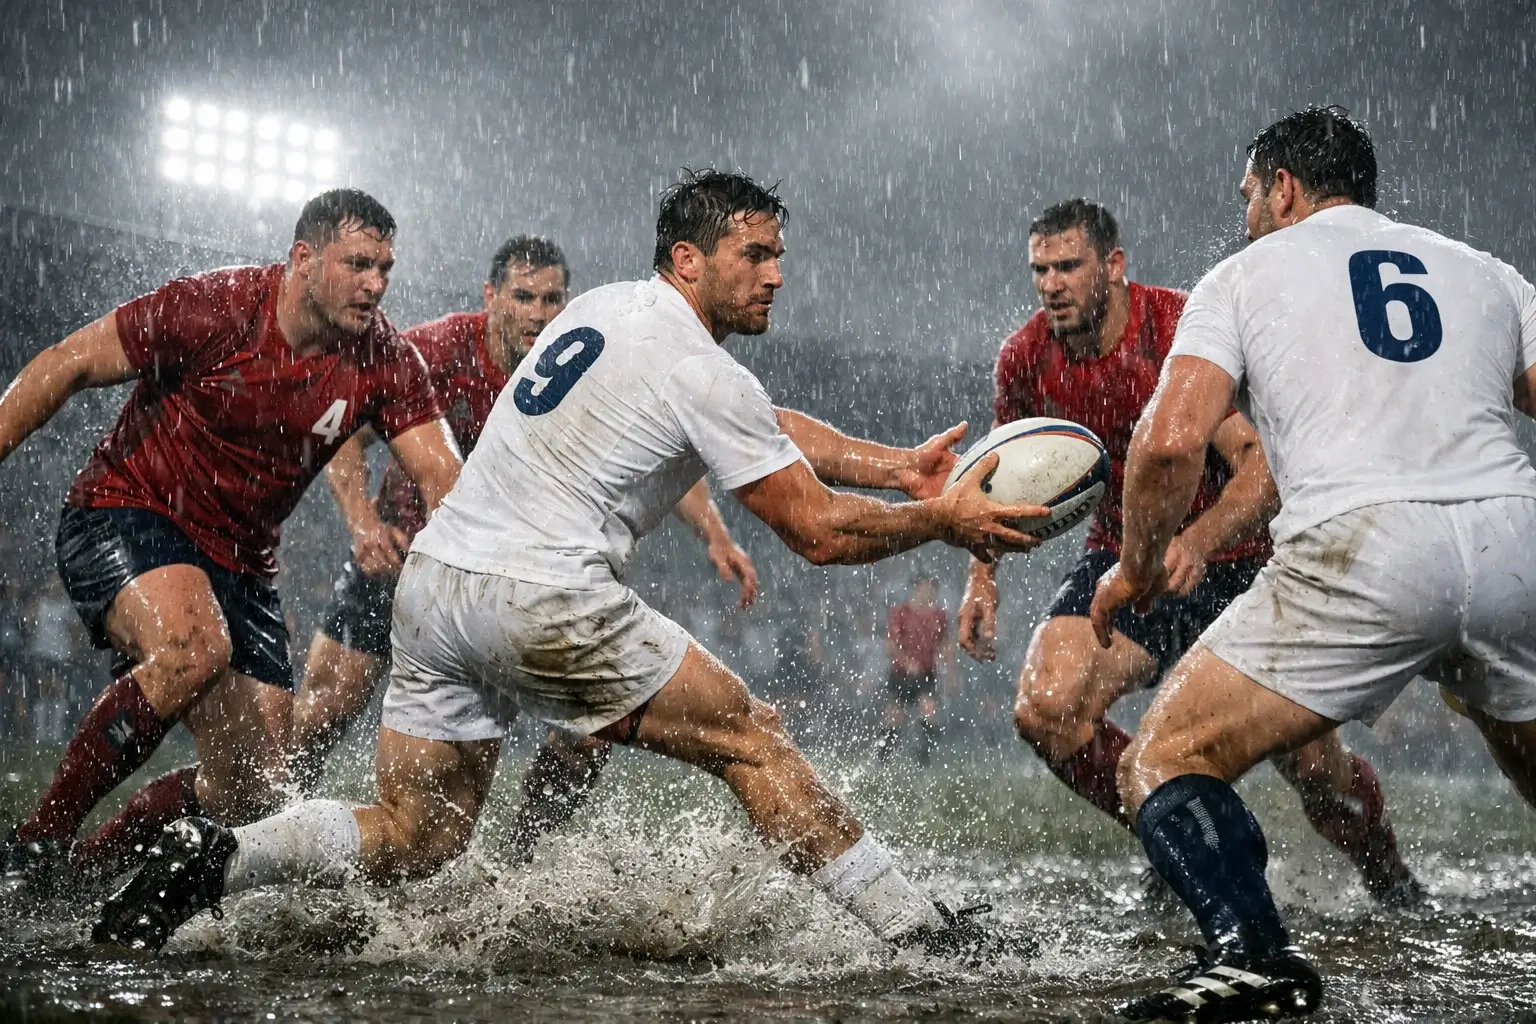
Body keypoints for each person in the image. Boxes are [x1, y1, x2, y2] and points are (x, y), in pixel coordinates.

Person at [94, 168, 1046, 956]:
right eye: (753, 255)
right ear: (688, 258)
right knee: (749, 738)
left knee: (419, 834)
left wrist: (897, 467)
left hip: (434, 588)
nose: (774, 276)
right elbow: (818, 533)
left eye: (778, 257)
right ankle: (924, 934)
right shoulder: (698, 365)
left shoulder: (609, 309)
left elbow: (759, 423)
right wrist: (946, 521)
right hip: (541, 595)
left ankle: (214, 858)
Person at [1089, 105, 1536, 1021]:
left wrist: (1133, 568)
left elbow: (1169, 446)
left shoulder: (1245, 275)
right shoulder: (1483, 269)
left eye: (1251, 194)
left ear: (1284, 188)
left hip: (1362, 544)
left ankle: (1252, 955)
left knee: (1166, 758)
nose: (1246, 212)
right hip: (1512, 539)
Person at [957, 198, 1419, 906]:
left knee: (1316, 771)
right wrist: (981, 579)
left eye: (1069, 266)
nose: (1051, 284)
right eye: (1040, 270)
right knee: (1046, 709)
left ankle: (1391, 879)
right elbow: (993, 483)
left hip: (1242, 561)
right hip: (1128, 559)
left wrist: (1200, 541)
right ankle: (1188, 839)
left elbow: (1261, 469)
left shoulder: (1176, 328)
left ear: (1113, 266)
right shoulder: (1025, 358)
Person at [0, 189, 462, 892]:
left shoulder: (387, 360)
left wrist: (485, 576)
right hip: (127, 510)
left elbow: (442, 476)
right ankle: (37, 846)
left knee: (251, 791)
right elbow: (69, 362)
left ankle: (89, 873)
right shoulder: (212, 308)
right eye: (359, 264)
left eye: (386, 268)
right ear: (303, 259)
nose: (376, 285)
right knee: (192, 650)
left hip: (242, 565)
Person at [289, 235, 758, 862]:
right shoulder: (434, 352)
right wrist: (361, 520)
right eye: (524, 297)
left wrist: (715, 533)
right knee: (325, 709)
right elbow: (348, 422)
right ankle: (269, 816)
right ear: (490, 298)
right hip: (408, 561)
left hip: (527, 579)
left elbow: (663, 442)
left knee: (591, 734)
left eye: (553, 299)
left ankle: (521, 858)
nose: (540, 313)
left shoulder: (587, 360)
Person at [878, 577, 956, 764]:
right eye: (923, 589)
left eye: (930, 590)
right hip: (901, 675)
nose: (927, 594)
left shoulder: (939, 616)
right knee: (895, 716)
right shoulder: (901, 613)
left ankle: (924, 757)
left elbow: (946, 645)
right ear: (915, 590)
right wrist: (906, 661)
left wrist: (952, 672)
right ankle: (883, 758)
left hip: (926, 674)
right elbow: (890, 645)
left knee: (929, 710)